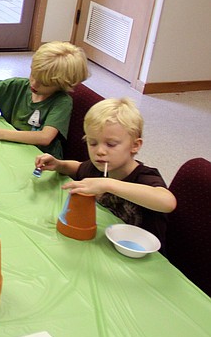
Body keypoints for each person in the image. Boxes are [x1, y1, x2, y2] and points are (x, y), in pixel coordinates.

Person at [34, 98, 176, 245]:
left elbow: (167, 202)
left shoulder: (145, 177)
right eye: (92, 143)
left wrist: (108, 184)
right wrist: (58, 164)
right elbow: (78, 168)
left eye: (111, 144)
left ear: (135, 145)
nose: (100, 151)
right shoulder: (99, 167)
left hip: (141, 256)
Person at [0, 41, 89, 158]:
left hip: (40, 158)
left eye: (44, 84)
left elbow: (45, 137)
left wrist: (1, 133)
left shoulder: (62, 102)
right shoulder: (19, 85)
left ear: (63, 85)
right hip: (13, 146)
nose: (34, 84)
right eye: (33, 75)